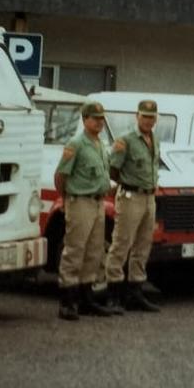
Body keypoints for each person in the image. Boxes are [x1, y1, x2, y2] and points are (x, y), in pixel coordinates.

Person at [53, 101, 113, 320]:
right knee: (75, 250)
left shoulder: (100, 144)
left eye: (101, 119)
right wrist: (67, 200)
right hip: (80, 201)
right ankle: (67, 301)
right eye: (95, 118)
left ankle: (87, 298)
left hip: (98, 203)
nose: (99, 123)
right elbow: (61, 175)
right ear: (85, 119)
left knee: (94, 251)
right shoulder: (76, 144)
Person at [104, 99, 161, 313]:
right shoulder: (125, 141)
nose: (148, 120)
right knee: (121, 244)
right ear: (137, 116)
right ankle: (113, 293)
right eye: (144, 116)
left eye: (152, 117)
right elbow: (113, 169)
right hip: (130, 196)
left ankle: (135, 291)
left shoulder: (155, 139)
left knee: (143, 245)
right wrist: (124, 187)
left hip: (149, 197)